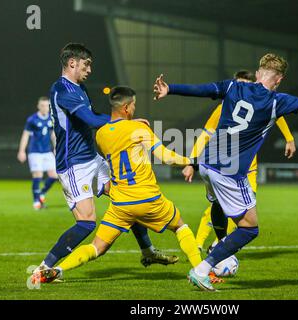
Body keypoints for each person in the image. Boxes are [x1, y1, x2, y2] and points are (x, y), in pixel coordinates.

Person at [153, 53, 298, 291]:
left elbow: (201, 89)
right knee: (250, 228)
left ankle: (220, 242)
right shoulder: (276, 101)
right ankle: (203, 268)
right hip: (229, 173)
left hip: (207, 164)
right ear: (279, 79)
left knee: (219, 205)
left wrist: (170, 89)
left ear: (259, 71)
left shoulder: (233, 86)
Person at [38, 86, 222, 288]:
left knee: (96, 248)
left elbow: (116, 135)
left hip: (121, 205)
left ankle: (59, 269)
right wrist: (193, 160)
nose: (135, 109)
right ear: (126, 108)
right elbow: (167, 157)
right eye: (133, 105)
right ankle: (201, 272)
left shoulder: (101, 135)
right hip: (149, 199)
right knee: (181, 227)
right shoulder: (139, 129)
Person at [31, 43, 177, 284]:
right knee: (87, 223)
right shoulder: (61, 89)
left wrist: (119, 122)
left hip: (92, 158)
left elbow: (95, 115)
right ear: (72, 63)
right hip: (73, 165)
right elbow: (88, 118)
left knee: (128, 197)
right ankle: (44, 267)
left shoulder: (80, 88)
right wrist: (122, 123)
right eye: (86, 64)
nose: (90, 69)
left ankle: (147, 251)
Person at [184, 69, 296, 252]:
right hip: (226, 167)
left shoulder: (264, 103)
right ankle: (201, 244)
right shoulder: (222, 109)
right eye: (237, 84)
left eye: (243, 84)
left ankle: (217, 244)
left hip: (248, 169)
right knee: (220, 206)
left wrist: (289, 138)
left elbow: (278, 114)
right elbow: (205, 135)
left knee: (238, 210)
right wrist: (191, 162)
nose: (239, 88)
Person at [17, 97, 57, 210]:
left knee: (54, 175)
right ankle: (36, 202)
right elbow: (25, 135)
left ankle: (41, 193)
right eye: (43, 105)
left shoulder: (51, 118)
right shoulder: (32, 120)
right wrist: (21, 151)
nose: (45, 108)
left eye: (47, 105)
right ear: (38, 106)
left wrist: (56, 147)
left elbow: (53, 134)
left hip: (47, 151)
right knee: (38, 176)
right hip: (34, 152)